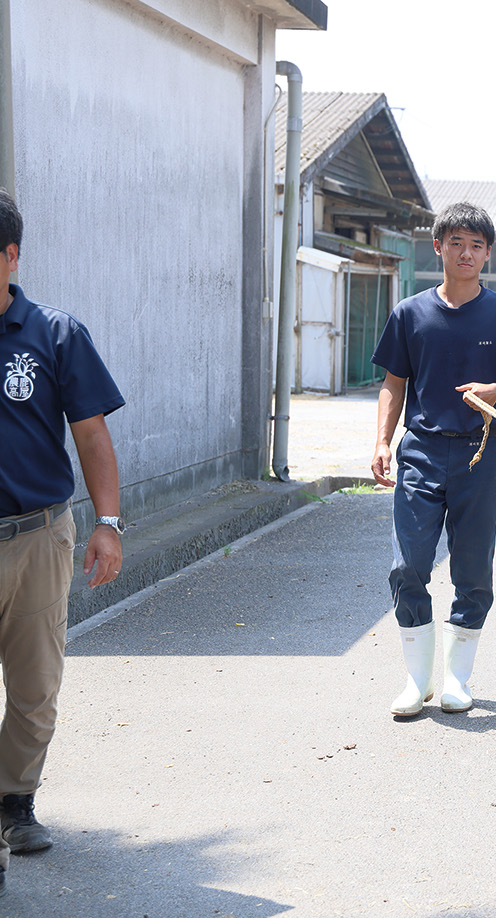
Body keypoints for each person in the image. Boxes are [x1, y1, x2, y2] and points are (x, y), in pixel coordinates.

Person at [371, 202, 496, 717]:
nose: (466, 253)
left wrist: (495, 390)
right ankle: (415, 680)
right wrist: (383, 442)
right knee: (408, 566)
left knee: (472, 571)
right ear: (438, 248)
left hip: (479, 453)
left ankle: (455, 678)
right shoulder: (410, 313)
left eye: (476, 245)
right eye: (456, 243)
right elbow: (393, 384)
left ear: (487, 254)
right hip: (421, 452)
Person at [0, 189, 125, 897]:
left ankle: (14, 800)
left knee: (36, 688)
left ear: (11, 256)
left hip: (36, 536)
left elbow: (91, 434)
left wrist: (107, 524)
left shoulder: (53, 333)